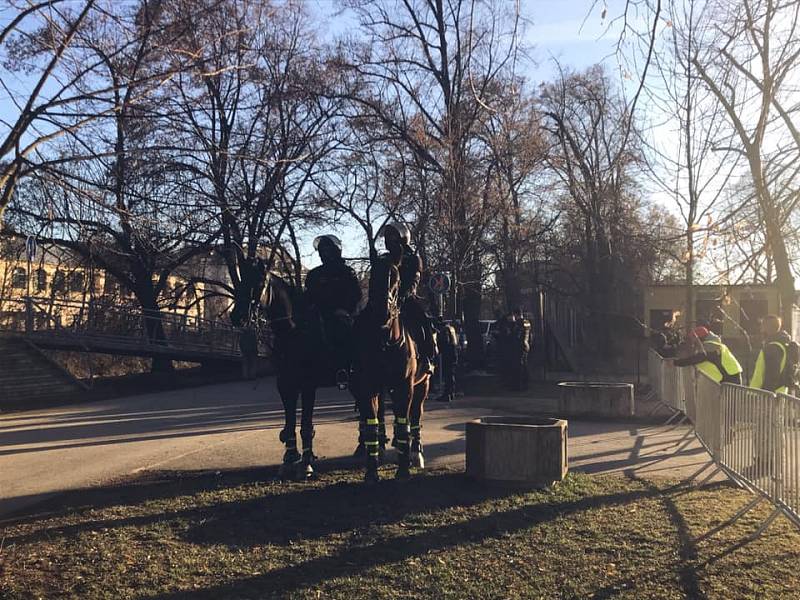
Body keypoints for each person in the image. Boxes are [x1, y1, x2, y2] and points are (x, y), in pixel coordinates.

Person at [305, 234, 362, 388]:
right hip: (317, 314)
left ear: (335, 251)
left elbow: (356, 295)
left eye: (327, 249)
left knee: (342, 333)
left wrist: (344, 310)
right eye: (322, 250)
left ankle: (343, 370)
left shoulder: (346, 272)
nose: (324, 253)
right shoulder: (314, 274)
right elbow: (307, 296)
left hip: (339, 315)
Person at [381, 222, 438, 373]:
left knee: (422, 321)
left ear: (401, 238)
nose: (387, 240)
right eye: (386, 237)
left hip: (405, 300)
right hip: (385, 300)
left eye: (391, 237)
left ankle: (427, 357)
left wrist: (402, 297)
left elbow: (414, 281)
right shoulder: (385, 259)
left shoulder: (413, 259)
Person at [673, 326, 743, 384]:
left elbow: (696, 358)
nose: (693, 343)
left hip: (729, 378)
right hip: (730, 376)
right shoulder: (714, 345)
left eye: (694, 340)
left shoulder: (710, 346)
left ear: (700, 338)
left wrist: (676, 362)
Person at [750, 314, 798, 395]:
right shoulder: (782, 344)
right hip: (780, 392)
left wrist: (756, 394)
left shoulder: (771, 348)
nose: (760, 330)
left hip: (769, 396)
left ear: (767, 328)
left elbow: (771, 376)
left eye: (762, 326)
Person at [435, 317, 459, 402]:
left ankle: (447, 394)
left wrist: (439, 347)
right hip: (453, 354)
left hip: (448, 356)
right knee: (451, 375)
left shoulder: (445, 330)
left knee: (447, 375)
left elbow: (446, 341)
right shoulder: (451, 329)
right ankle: (451, 393)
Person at [511, 309, 532, 391]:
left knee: (519, 366)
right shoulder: (527, 322)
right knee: (524, 365)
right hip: (526, 345)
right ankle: (525, 384)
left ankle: (519, 385)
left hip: (519, 346)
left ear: (516, 315)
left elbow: (517, 335)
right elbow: (530, 334)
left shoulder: (518, 323)